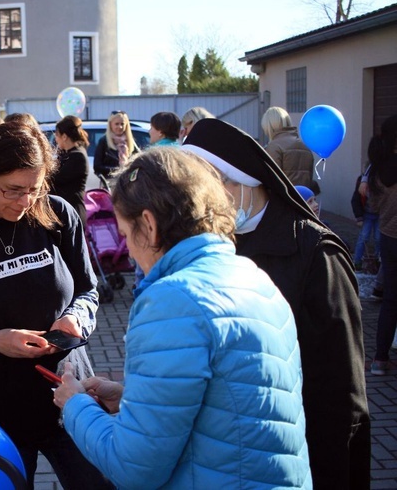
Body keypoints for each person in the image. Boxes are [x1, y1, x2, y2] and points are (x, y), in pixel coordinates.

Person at [53, 147, 311, 489]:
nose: (128, 250)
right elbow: (231, 401)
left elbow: (134, 467)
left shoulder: (172, 300)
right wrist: (134, 398)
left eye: (127, 235)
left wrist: (75, 406)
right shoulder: (251, 275)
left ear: (149, 224)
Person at [184, 118, 370, 490]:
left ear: (242, 181)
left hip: (307, 444)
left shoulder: (317, 253)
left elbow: (342, 388)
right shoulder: (217, 242)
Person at [0, 122, 111, 489]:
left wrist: (75, 319)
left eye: (33, 191)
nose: (24, 203)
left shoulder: (57, 215)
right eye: (13, 190)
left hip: (69, 391)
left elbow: (88, 289)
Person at [367, 114, 397, 376]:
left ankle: (379, 360)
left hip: (388, 238)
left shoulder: (377, 170)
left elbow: (373, 207)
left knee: (390, 300)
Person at [261, 106, 315, 189]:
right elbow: (309, 180)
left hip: (282, 200)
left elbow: (272, 181)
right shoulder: (305, 147)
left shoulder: (273, 147)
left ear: (268, 126)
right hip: (303, 199)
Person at [51, 115, 90, 226]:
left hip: (73, 212)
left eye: (57, 135)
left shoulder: (77, 156)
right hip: (63, 212)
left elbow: (55, 179)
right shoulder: (66, 153)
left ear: (64, 136)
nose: (56, 139)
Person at [351, 169, 380, 272]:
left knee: (378, 238)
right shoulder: (362, 182)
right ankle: (357, 261)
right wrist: (359, 217)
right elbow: (355, 200)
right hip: (367, 214)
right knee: (363, 237)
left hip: (379, 214)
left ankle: (378, 260)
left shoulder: (383, 181)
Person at [93, 111, 138, 178]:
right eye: (116, 124)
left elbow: (140, 158)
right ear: (110, 124)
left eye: (122, 124)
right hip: (110, 182)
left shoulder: (130, 141)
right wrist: (118, 170)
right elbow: (97, 167)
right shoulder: (104, 141)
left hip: (127, 182)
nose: (120, 127)